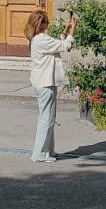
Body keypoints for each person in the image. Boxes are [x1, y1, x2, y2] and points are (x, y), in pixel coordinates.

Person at [27, 9, 76, 163]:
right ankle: (39, 154)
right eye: (46, 22)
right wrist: (73, 29)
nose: (48, 24)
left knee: (49, 118)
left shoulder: (37, 39)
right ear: (41, 24)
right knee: (46, 119)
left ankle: (48, 151)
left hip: (43, 82)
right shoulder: (42, 39)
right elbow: (65, 46)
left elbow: (57, 44)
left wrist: (66, 29)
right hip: (45, 83)